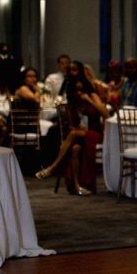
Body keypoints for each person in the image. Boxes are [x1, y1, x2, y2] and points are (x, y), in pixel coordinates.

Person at [35, 61, 108, 195]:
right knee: (75, 149)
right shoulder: (73, 101)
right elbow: (71, 124)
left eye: (80, 87)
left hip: (94, 133)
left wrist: (89, 100)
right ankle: (77, 186)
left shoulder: (92, 95)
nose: (78, 90)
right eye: (76, 89)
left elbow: (106, 114)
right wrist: (75, 124)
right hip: (79, 133)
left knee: (74, 134)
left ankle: (52, 167)